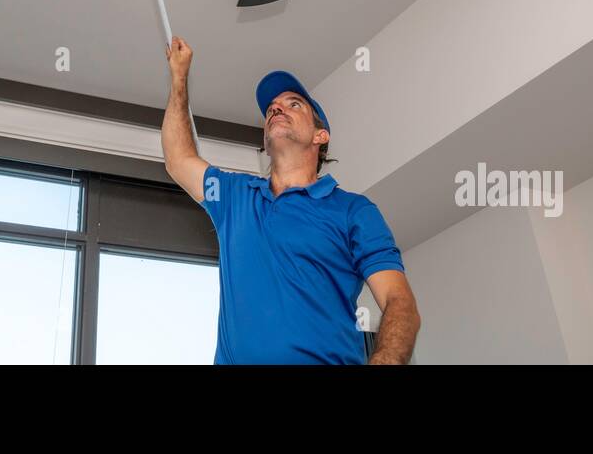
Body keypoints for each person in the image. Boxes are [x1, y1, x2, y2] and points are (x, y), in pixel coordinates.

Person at [160, 35, 420, 364]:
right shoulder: (234, 197)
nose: (277, 108)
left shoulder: (353, 211)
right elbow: (178, 160)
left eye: (293, 104)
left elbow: (400, 301)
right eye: (272, 109)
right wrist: (179, 78)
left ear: (319, 135)